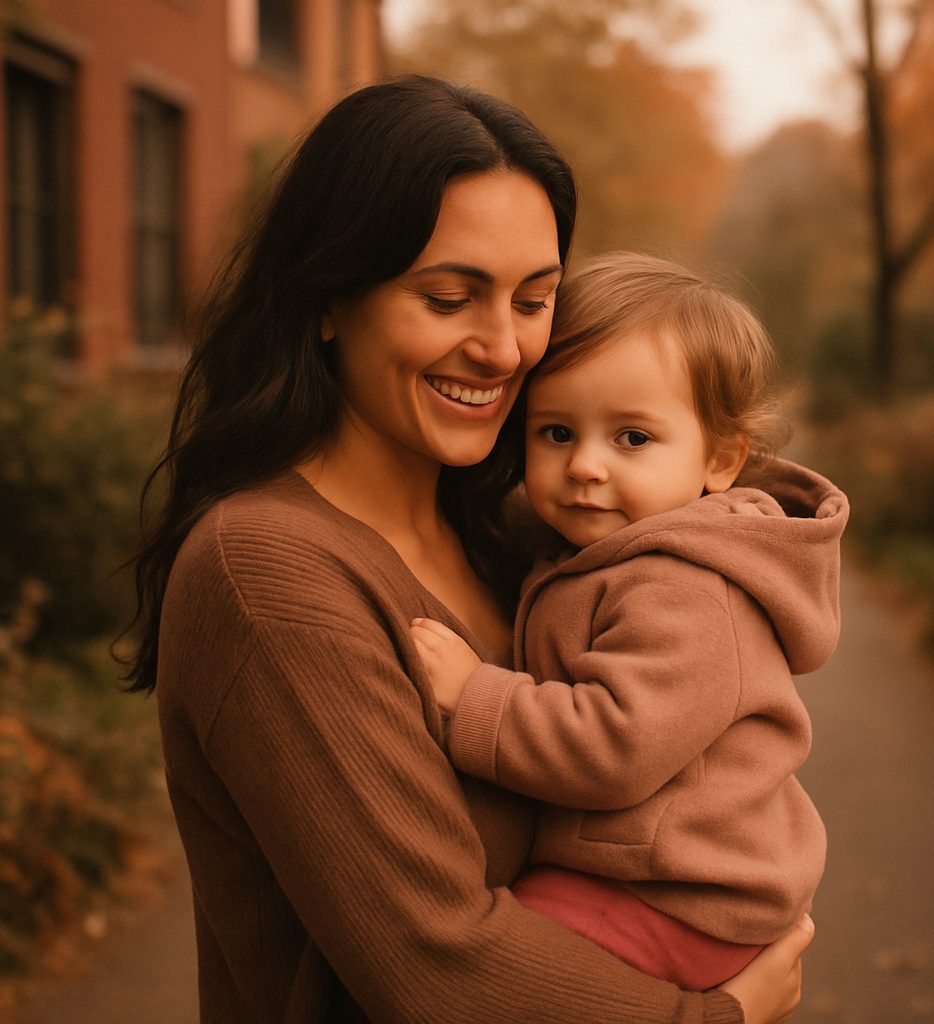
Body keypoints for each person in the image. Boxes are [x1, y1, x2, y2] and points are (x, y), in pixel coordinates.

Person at [125, 75, 813, 1023]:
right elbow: (437, 965)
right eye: (450, 298)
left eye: (535, 300)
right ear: (328, 299)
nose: (503, 349)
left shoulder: (514, 536)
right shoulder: (269, 575)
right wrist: (716, 1018)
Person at [412, 253, 848, 992]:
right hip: (642, 880)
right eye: (556, 432)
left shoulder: (689, 589)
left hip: (684, 897)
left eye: (632, 439)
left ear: (721, 459)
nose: (584, 465)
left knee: (500, 981)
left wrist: (475, 695)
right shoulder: (606, 554)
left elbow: (615, 745)